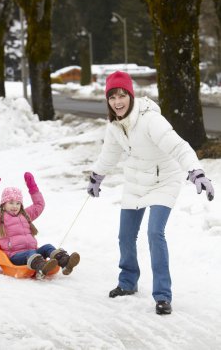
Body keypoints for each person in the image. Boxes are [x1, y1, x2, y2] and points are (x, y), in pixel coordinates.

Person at [87, 71, 214, 315]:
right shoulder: (114, 126)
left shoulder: (150, 120)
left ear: (131, 96)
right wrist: (97, 176)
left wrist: (196, 172)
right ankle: (127, 282)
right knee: (125, 236)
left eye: (122, 95)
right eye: (112, 97)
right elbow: (109, 154)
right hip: (135, 183)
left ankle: (163, 295)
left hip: (163, 181)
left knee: (155, 233)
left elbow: (178, 146)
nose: (118, 101)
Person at [0, 171, 80, 280]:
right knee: (31, 253)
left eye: (18, 203)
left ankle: (65, 263)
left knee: (47, 247)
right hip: (15, 256)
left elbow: (39, 205)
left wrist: (33, 188)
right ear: (3, 205)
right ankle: (42, 268)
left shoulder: (25, 215)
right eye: (11, 202)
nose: (15, 206)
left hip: (33, 252)